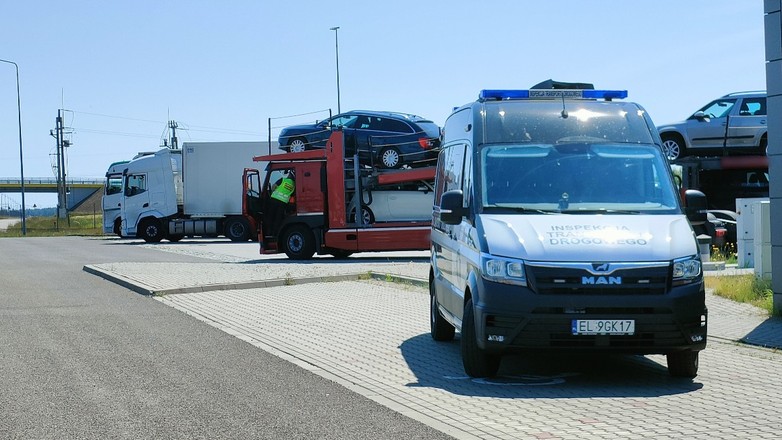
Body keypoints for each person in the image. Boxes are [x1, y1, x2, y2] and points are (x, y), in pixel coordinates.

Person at [264, 170, 295, 238]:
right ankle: (275, 234)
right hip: (283, 203)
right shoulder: (294, 186)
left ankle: (268, 233)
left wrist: (273, 192)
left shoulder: (283, 180)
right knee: (278, 219)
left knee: (270, 216)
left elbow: (273, 187)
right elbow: (292, 195)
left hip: (274, 200)